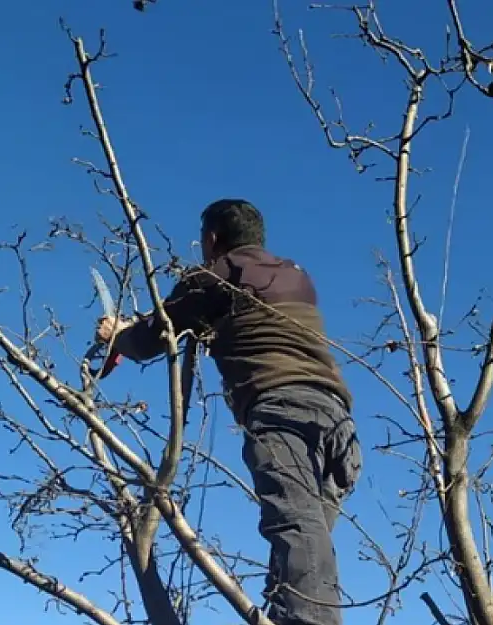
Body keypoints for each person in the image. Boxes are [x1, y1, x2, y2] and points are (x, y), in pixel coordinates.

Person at [94, 198, 362, 625]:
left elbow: (154, 337)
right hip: (337, 424)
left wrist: (118, 336)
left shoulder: (216, 276)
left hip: (282, 412)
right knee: (302, 548)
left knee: (295, 530)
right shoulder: (296, 276)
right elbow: (220, 315)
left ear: (212, 239)